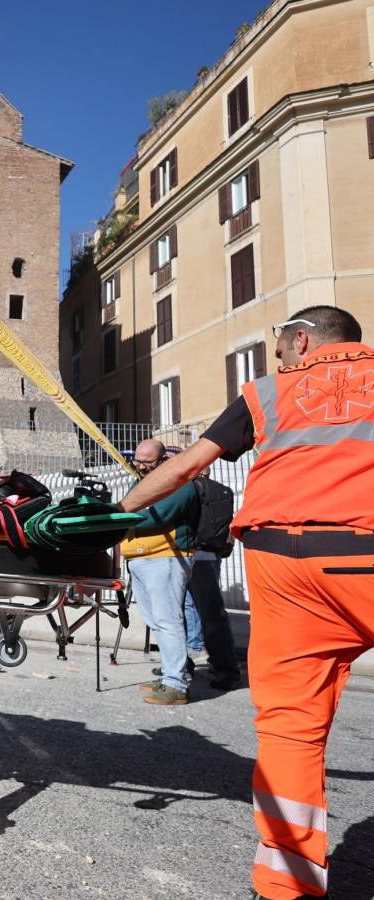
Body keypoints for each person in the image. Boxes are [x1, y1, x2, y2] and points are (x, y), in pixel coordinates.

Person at [120, 306, 374, 900]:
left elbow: (188, 465)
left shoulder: (269, 393)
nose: (277, 357)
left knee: (290, 730)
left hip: (286, 564)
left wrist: (117, 512)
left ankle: (287, 886)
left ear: (302, 339)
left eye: (280, 345)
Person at [120, 439, 199, 705]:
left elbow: (157, 516)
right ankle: (171, 674)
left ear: (163, 460)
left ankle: (176, 683)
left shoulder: (180, 484)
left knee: (168, 621)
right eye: (138, 461)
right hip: (142, 558)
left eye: (147, 462)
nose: (141, 467)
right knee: (157, 621)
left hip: (166, 558)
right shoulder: (142, 482)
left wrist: (118, 517)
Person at [185, 471, 243, 691]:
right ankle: (225, 668)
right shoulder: (221, 489)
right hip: (209, 554)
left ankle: (186, 667)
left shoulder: (185, 488)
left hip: (187, 555)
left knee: (182, 612)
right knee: (212, 614)